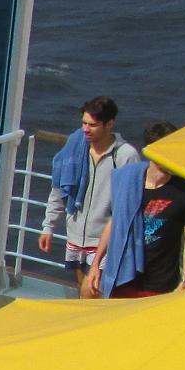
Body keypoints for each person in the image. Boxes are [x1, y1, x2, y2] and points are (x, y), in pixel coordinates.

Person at [39, 95, 141, 297]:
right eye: (84, 123)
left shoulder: (125, 156)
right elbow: (59, 188)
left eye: (92, 125)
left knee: (90, 290)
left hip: (106, 238)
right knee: (82, 287)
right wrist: (48, 226)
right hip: (76, 234)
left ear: (109, 124)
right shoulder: (76, 148)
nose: (85, 129)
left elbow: (130, 204)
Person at [94, 121, 185, 298]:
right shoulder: (128, 182)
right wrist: (96, 264)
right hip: (123, 277)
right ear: (150, 152)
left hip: (161, 283)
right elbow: (115, 221)